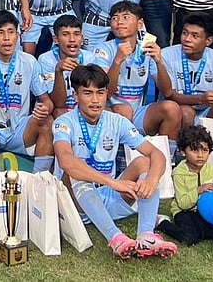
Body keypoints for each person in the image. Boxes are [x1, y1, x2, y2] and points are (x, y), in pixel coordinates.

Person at [53, 64, 176, 259]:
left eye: (100, 93)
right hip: (76, 204)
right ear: (75, 96)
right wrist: (113, 182)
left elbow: (156, 154)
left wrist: (151, 180)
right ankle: (116, 238)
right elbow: (66, 162)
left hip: (110, 198)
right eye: (87, 93)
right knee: (74, 171)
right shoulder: (64, 122)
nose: (95, 100)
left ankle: (146, 236)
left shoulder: (116, 121)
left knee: (145, 163)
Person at [0, 10, 55, 174]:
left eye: (11, 32)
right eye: (0, 33)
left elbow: (46, 100)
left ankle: (40, 181)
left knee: (47, 121)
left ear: (18, 35)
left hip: (19, 130)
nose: (7, 38)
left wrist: (45, 109)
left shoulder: (29, 61)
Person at [95, 2, 183, 150]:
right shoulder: (103, 50)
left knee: (172, 108)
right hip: (108, 111)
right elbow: (105, 93)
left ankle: (168, 159)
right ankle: (121, 158)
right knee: (123, 110)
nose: (119, 22)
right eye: (115, 18)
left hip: (137, 113)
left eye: (126, 17)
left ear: (139, 23)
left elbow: (167, 92)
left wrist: (159, 62)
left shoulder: (147, 47)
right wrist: (117, 61)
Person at [160, 13, 213, 128]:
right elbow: (169, 95)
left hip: (207, 110)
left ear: (208, 41)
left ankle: (209, 143)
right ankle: (186, 145)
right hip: (179, 108)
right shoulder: (166, 55)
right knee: (186, 112)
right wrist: (201, 99)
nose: (187, 39)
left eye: (194, 36)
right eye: (184, 33)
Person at [155, 125, 213, 246]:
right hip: (184, 212)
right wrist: (198, 190)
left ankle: (204, 231)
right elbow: (183, 204)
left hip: (205, 211)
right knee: (188, 237)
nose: (200, 155)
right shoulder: (179, 173)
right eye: (194, 150)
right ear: (183, 152)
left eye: (204, 150)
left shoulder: (212, 170)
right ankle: (162, 223)